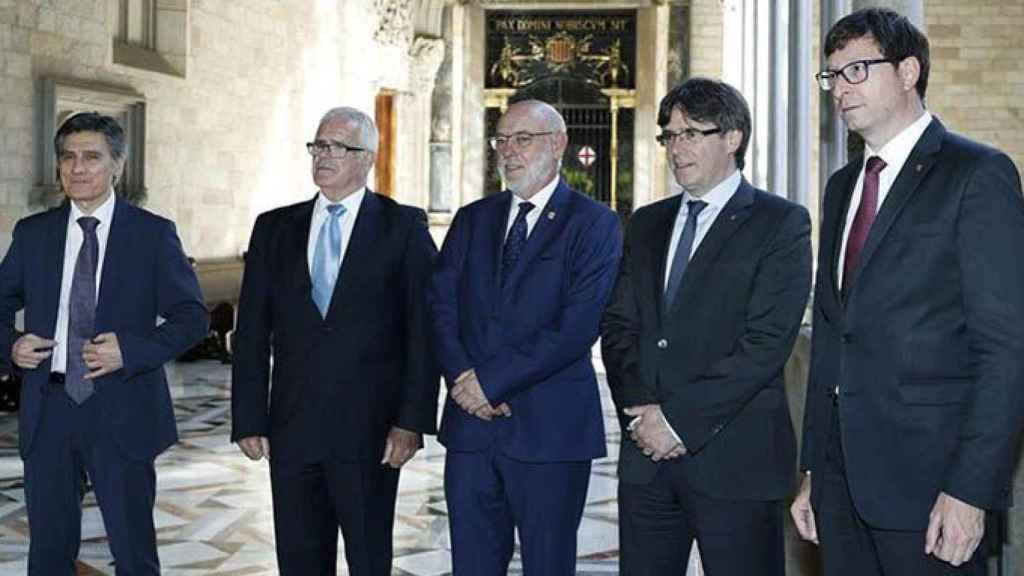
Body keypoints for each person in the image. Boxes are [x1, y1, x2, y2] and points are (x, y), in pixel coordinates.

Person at [791, 8, 1024, 574]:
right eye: (832, 76)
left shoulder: (976, 173)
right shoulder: (842, 186)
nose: (840, 89)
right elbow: (831, 331)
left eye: (857, 70)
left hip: (932, 487)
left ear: (908, 71)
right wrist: (814, 471)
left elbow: (1005, 348)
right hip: (841, 485)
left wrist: (970, 490)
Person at [600, 78, 812, 575]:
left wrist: (676, 422)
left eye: (691, 133)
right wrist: (641, 413)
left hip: (735, 464)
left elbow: (765, 344)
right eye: (669, 136)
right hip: (646, 462)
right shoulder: (647, 223)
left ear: (733, 137)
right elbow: (617, 325)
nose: (677, 148)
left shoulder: (779, 223)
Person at [230, 107, 439, 576]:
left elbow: (423, 332)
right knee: (300, 560)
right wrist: (248, 417)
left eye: (337, 147)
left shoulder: (402, 227)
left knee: (368, 557)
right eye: (318, 145)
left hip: (371, 431)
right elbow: (251, 333)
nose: (323, 156)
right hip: (292, 428)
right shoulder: (274, 228)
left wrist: (411, 421)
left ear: (367, 158)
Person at [0, 112, 209, 574]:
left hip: (123, 409)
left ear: (118, 164)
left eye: (92, 157)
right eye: (68, 157)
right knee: (48, 553)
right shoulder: (33, 235)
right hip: (48, 410)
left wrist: (131, 351)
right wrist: (10, 347)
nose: (78, 168)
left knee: (134, 553)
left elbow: (192, 317)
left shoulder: (152, 235)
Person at [430, 99, 621, 575]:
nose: (508, 151)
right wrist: (462, 380)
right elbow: (440, 307)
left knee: (547, 566)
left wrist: (490, 383)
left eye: (522, 139)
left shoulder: (594, 223)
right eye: (501, 139)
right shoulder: (473, 218)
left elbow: (577, 327)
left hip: (550, 433)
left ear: (558, 144)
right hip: (471, 433)